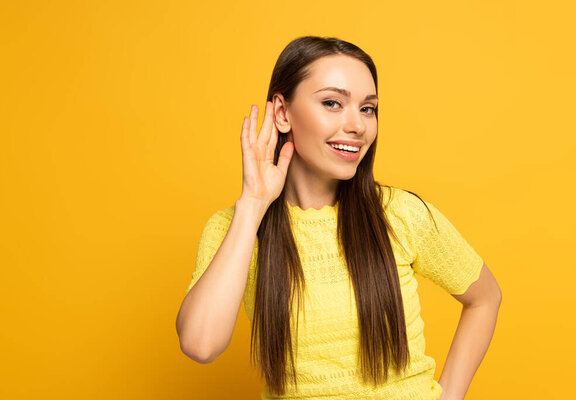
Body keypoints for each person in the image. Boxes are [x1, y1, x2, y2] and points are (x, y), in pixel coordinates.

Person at [176, 35, 502, 400]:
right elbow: (200, 344)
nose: (358, 126)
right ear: (282, 113)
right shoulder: (234, 229)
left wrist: (451, 396)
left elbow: (485, 297)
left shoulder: (400, 214)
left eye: (367, 108)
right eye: (333, 103)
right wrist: (253, 205)